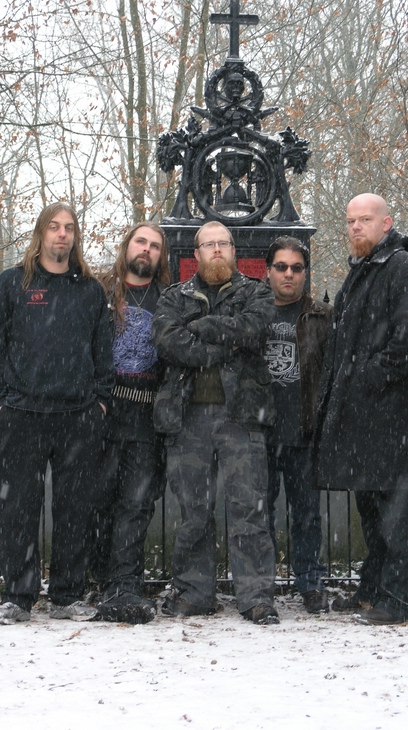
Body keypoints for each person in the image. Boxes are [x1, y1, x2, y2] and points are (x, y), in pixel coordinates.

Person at [0, 202, 114, 625]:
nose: (62, 234)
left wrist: (99, 402)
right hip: (21, 413)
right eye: (54, 227)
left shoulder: (90, 291)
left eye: (69, 228)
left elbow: (103, 352)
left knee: (76, 510)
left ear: (75, 237)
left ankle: (66, 596)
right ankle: (18, 597)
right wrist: (0, 402)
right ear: (41, 233)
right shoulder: (12, 284)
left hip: (78, 416)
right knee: (18, 509)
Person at [152, 221, 279, 625]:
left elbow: (254, 328)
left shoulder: (256, 292)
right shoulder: (174, 297)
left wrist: (203, 328)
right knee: (193, 511)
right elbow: (168, 342)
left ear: (233, 249)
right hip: (186, 418)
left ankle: (256, 597)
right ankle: (195, 593)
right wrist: (222, 347)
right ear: (196, 253)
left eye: (224, 243)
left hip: (242, 416)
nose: (217, 249)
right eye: (209, 244)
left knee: (249, 508)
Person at [314, 193, 408, 625]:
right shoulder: (362, 271)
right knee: (373, 511)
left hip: (391, 417)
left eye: (365, 219)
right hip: (362, 417)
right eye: (350, 221)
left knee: (397, 513)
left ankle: (400, 600)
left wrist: (363, 379)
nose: (356, 227)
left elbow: (406, 344)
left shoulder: (403, 270)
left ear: (386, 223)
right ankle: (374, 589)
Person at [94, 222, 170, 624]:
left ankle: (125, 585)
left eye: (155, 245)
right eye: (141, 241)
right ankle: (101, 580)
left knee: (136, 504)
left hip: (145, 418)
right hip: (102, 413)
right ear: (128, 246)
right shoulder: (99, 292)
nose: (147, 249)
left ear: (161, 256)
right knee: (98, 500)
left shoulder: (169, 300)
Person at [264, 236, 333, 613]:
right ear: (268, 271)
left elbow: (332, 372)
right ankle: (260, 583)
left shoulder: (322, 316)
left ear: (305, 272)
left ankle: (310, 582)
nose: (288, 274)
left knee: (306, 515)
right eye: (281, 267)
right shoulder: (253, 311)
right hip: (258, 432)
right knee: (259, 514)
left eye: (296, 267)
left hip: (304, 431)